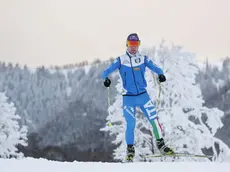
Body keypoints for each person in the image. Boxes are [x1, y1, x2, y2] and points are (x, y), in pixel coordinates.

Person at [102, 33, 174, 161]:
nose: (133, 47)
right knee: (131, 123)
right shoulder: (121, 59)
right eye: (131, 44)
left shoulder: (143, 58)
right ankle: (130, 150)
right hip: (128, 98)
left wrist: (161, 74)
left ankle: (162, 146)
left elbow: (156, 67)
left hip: (143, 96)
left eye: (136, 44)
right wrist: (105, 79)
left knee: (154, 119)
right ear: (127, 45)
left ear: (139, 45)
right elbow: (105, 71)